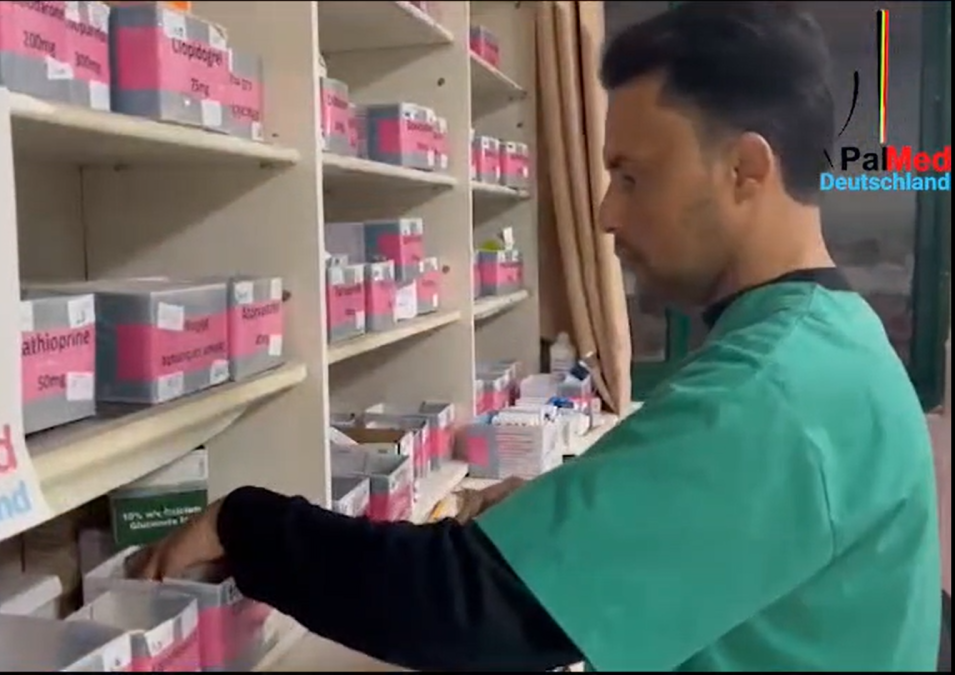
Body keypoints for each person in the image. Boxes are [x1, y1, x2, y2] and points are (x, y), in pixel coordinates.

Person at [139, 2, 942, 671]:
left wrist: (246, 524)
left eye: (632, 176)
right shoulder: (829, 338)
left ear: (745, 171)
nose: (607, 213)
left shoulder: (775, 387)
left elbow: (466, 607)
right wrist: (563, 522)